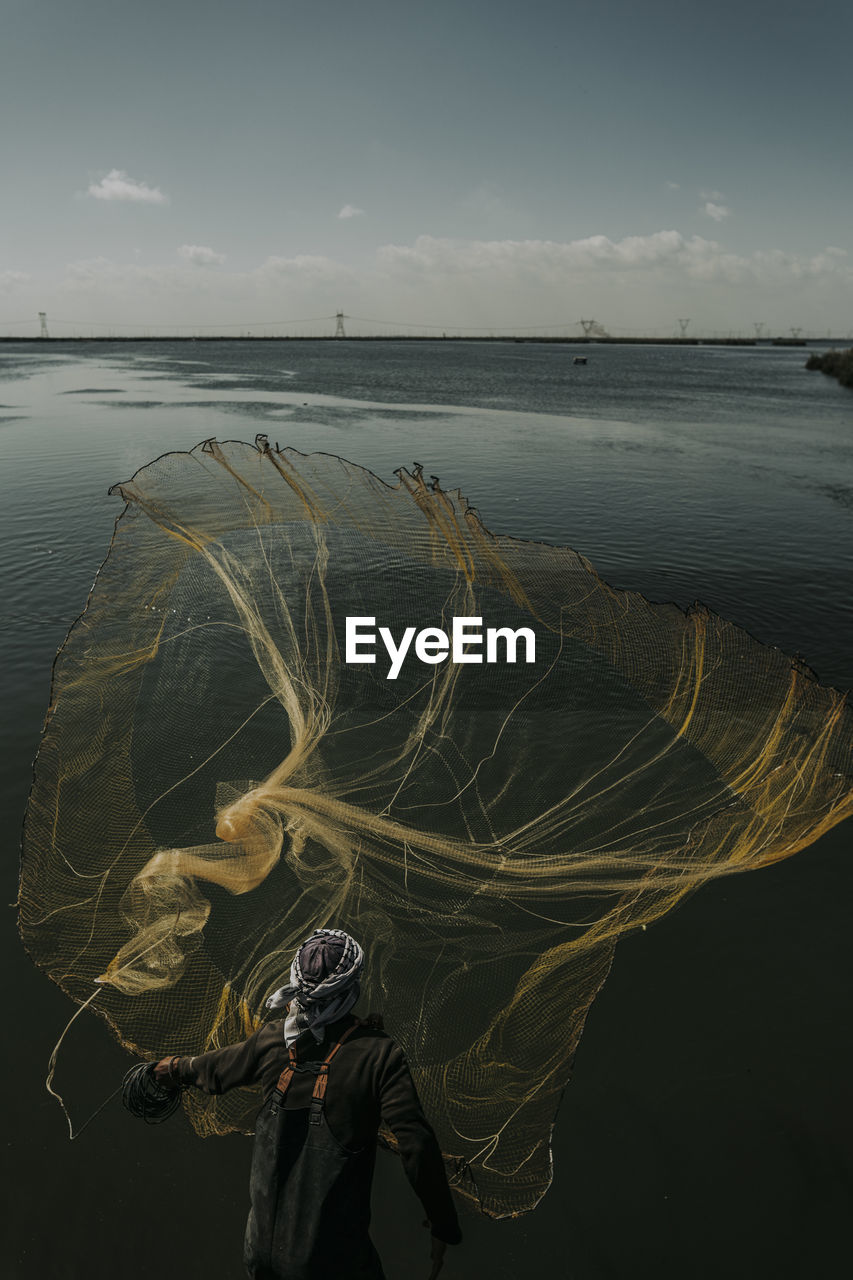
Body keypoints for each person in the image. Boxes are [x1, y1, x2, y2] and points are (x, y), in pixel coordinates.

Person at [154, 927, 461, 1280]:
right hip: (334, 1264)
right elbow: (416, 1143)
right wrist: (443, 1225)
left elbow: (214, 1070)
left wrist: (173, 1068)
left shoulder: (273, 1040)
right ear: (351, 985)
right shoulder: (379, 1055)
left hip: (261, 1257)